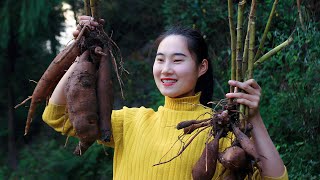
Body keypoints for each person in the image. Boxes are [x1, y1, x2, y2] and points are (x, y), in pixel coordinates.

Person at [42, 16, 288, 180]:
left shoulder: (221, 131)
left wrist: (254, 118)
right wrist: (82, 51)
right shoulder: (130, 122)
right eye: (160, 59)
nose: (166, 69)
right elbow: (57, 116)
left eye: (177, 60)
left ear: (201, 67)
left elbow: (276, 178)